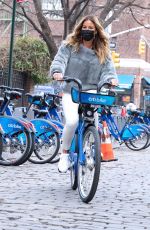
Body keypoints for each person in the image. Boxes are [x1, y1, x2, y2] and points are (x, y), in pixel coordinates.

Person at [50, 15, 118, 173]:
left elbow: (109, 71)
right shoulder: (69, 46)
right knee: (72, 121)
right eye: (84, 27)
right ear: (80, 29)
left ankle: (90, 145)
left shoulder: (103, 51)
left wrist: (111, 79)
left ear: (96, 31)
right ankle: (65, 153)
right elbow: (60, 60)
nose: (87, 30)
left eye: (91, 28)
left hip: (91, 91)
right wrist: (57, 72)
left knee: (94, 121)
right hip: (71, 89)